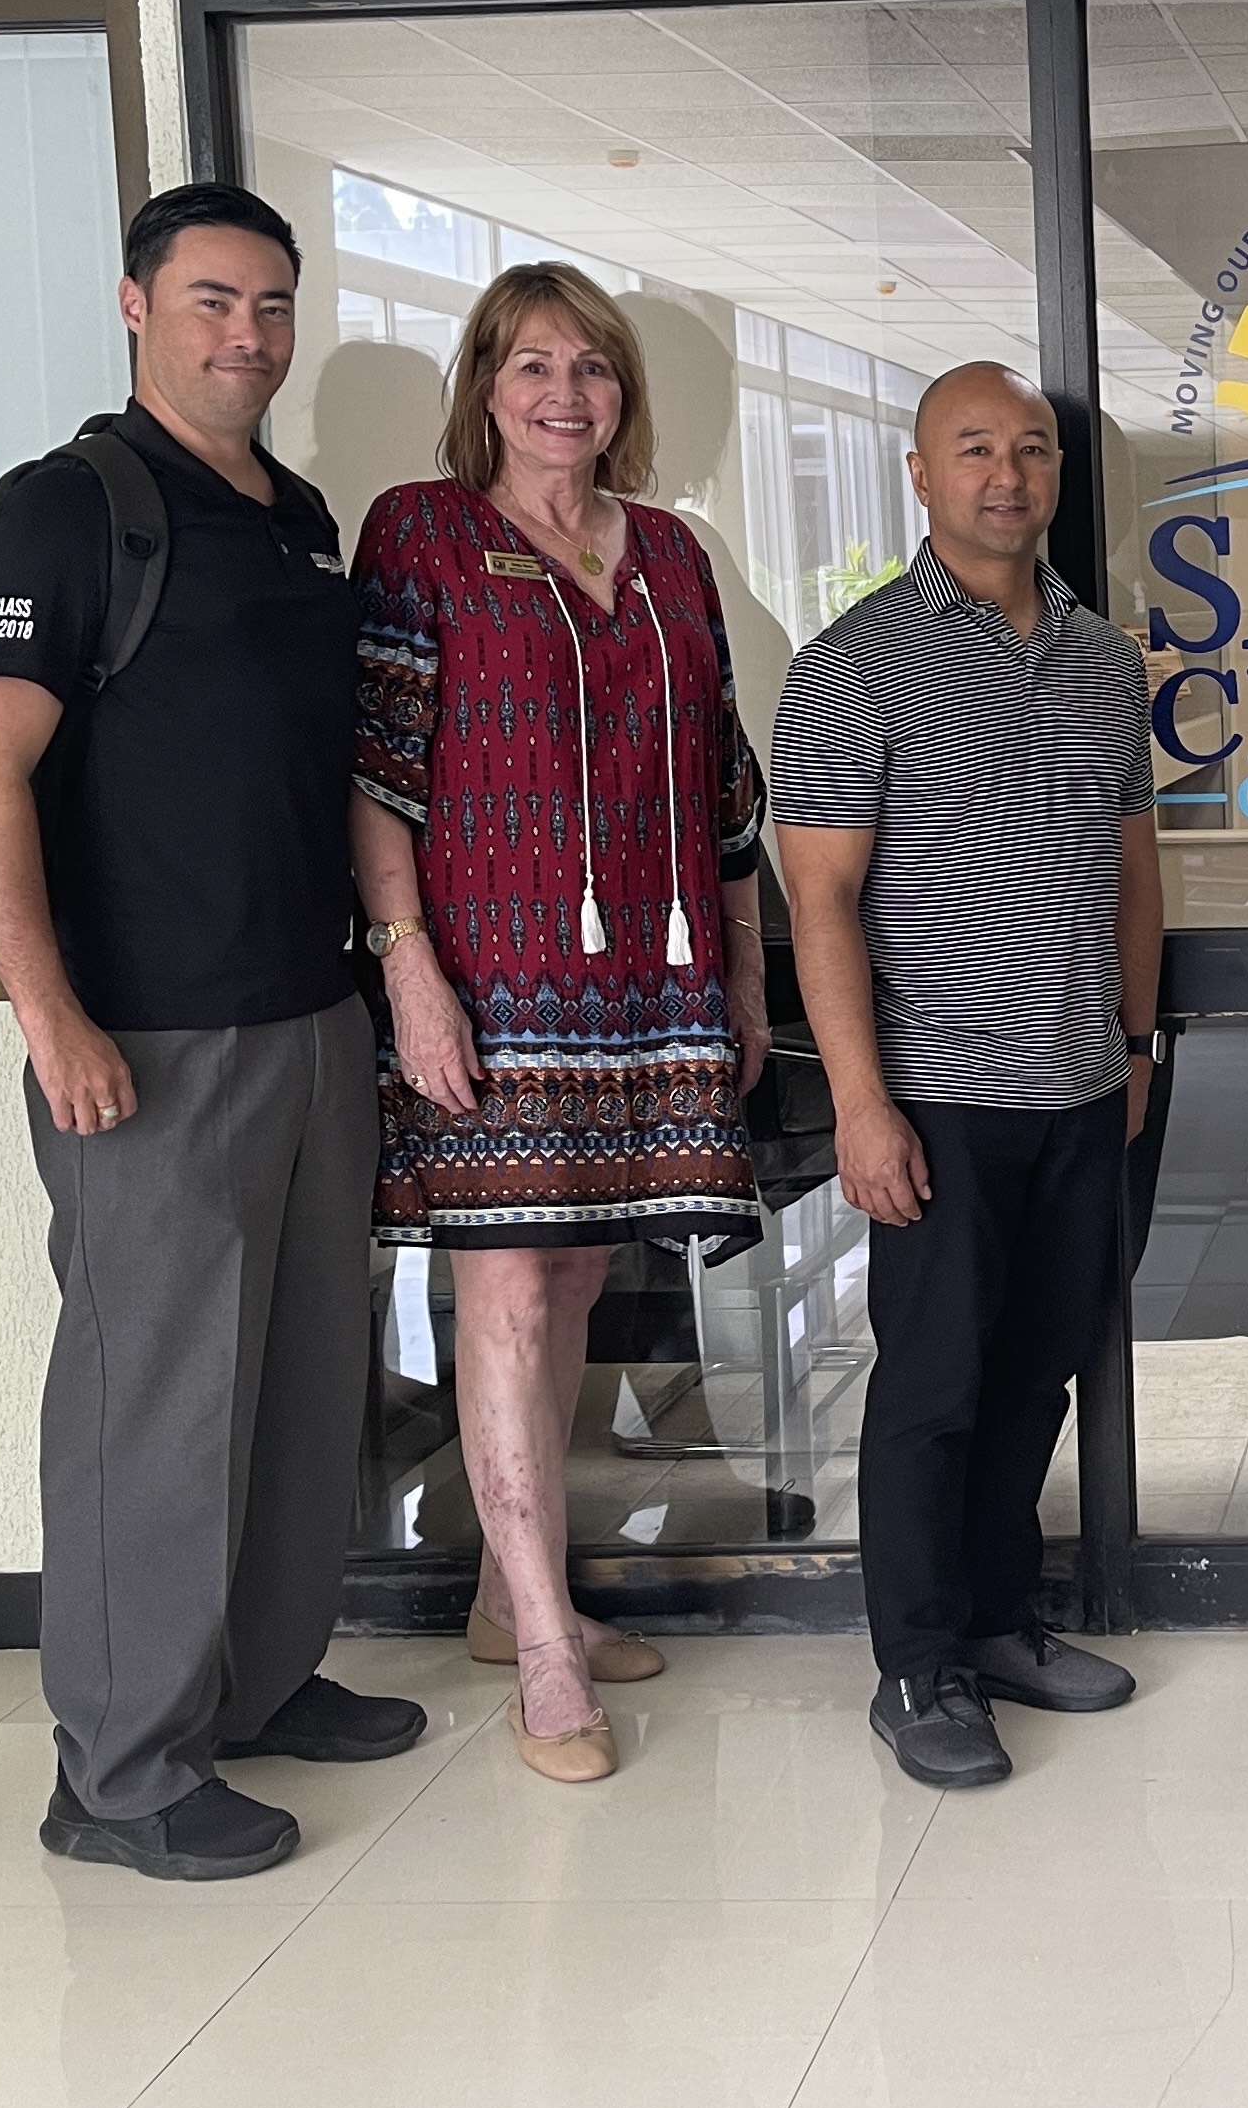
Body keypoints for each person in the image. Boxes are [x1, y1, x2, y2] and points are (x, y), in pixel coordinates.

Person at [0, 182, 422, 1884]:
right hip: (143, 1036)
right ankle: (123, 1774)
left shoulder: (293, 512)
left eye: (275, 305)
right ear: (136, 305)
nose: (249, 335)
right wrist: (48, 1014)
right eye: (215, 299)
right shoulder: (70, 510)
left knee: (298, 1384)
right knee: (152, 1401)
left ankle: (261, 1677)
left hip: (304, 1015)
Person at [350, 263, 774, 1784]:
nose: (565, 394)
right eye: (533, 365)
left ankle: (495, 1593)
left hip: (646, 979)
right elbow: (378, 771)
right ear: (483, 385)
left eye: (592, 368)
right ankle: (545, 1644)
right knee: (510, 1289)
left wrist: (743, 972)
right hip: (493, 972)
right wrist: (408, 972)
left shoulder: (668, 550)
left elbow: (723, 780)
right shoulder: (421, 533)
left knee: (584, 1266)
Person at [770, 362, 1160, 1791]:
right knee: (931, 1391)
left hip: (1073, 1086)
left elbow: (1132, 867)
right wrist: (862, 1105)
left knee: (1036, 1375)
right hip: (933, 1092)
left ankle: (1000, 1621)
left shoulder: (1104, 658)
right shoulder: (852, 664)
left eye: (1033, 451)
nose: (1009, 476)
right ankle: (917, 1666)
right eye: (975, 450)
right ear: (921, 478)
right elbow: (819, 904)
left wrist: (1132, 1041)